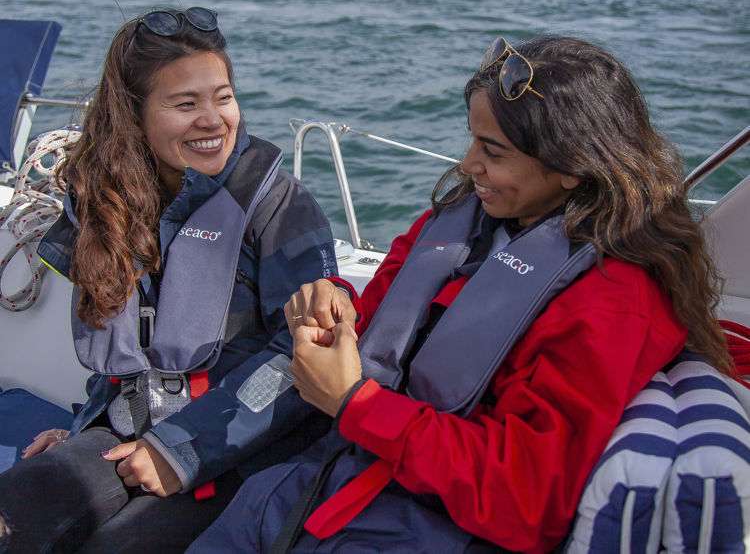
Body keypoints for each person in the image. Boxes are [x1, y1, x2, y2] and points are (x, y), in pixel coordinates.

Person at [187, 35, 733, 553]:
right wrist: (336, 306)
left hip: (417, 525)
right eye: (472, 138)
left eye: (492, 151)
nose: (470, 164)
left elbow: (527, 497)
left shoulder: (614, 300)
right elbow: (376, 314)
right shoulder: (458, 220)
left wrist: (357, 404)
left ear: (571, 166)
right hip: (316, 483)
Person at [0, 7, 337, 552]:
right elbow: (123, 343)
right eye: (186, 104)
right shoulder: (100, 200)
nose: (213, 120)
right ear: (134, 117)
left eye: (222, 96)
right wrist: (83, 431)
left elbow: (301, 356)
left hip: (240, 447)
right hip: (123, 432)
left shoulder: (279, 204)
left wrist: (182, 450)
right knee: (14, 514)